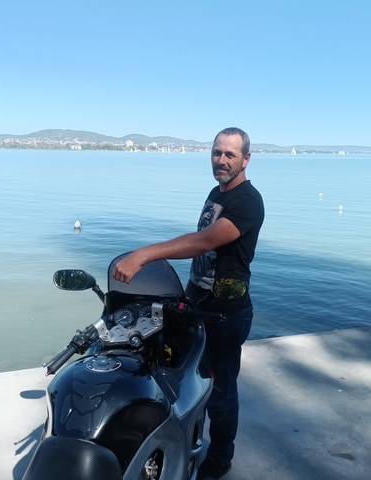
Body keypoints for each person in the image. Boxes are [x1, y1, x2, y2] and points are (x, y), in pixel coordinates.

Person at [113, 127, 264, 480]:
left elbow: (204, 241)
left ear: (246, 159)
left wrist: (143, 255)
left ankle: (220, 459)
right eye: (217, 152)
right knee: (184, 380)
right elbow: (203, 251)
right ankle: (184, 439)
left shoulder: (247, 201)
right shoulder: (217, 193)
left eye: (230, 154)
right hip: (197, 303)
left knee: (220, 390)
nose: (221, 160)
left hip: (225, 314)